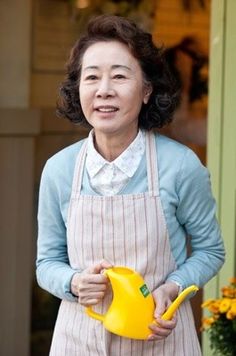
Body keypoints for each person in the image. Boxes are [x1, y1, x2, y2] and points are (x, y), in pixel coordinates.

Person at [36, 14, 225, 355]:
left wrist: (174, 287)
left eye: (120, 76)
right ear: (78, 89)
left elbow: (211, 250)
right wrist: (73, 282)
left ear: (147, 90)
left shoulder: (180, 166)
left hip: (162, 340)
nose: (104, 89)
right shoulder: (59, 170)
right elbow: (47, 262)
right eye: (91, 77)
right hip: (78, 341)